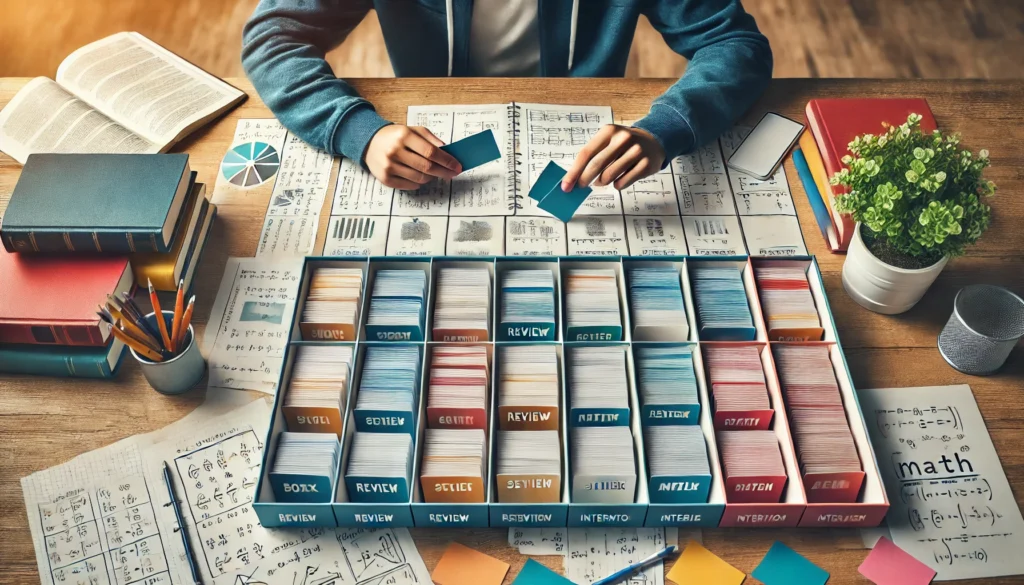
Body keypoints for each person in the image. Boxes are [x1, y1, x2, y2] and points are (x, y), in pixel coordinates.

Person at [242, 0, 772, 192]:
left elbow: (732, 43)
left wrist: (667, 128)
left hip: (581, 136)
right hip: (439, 145)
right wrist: (363, 132)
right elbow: (273, 38)